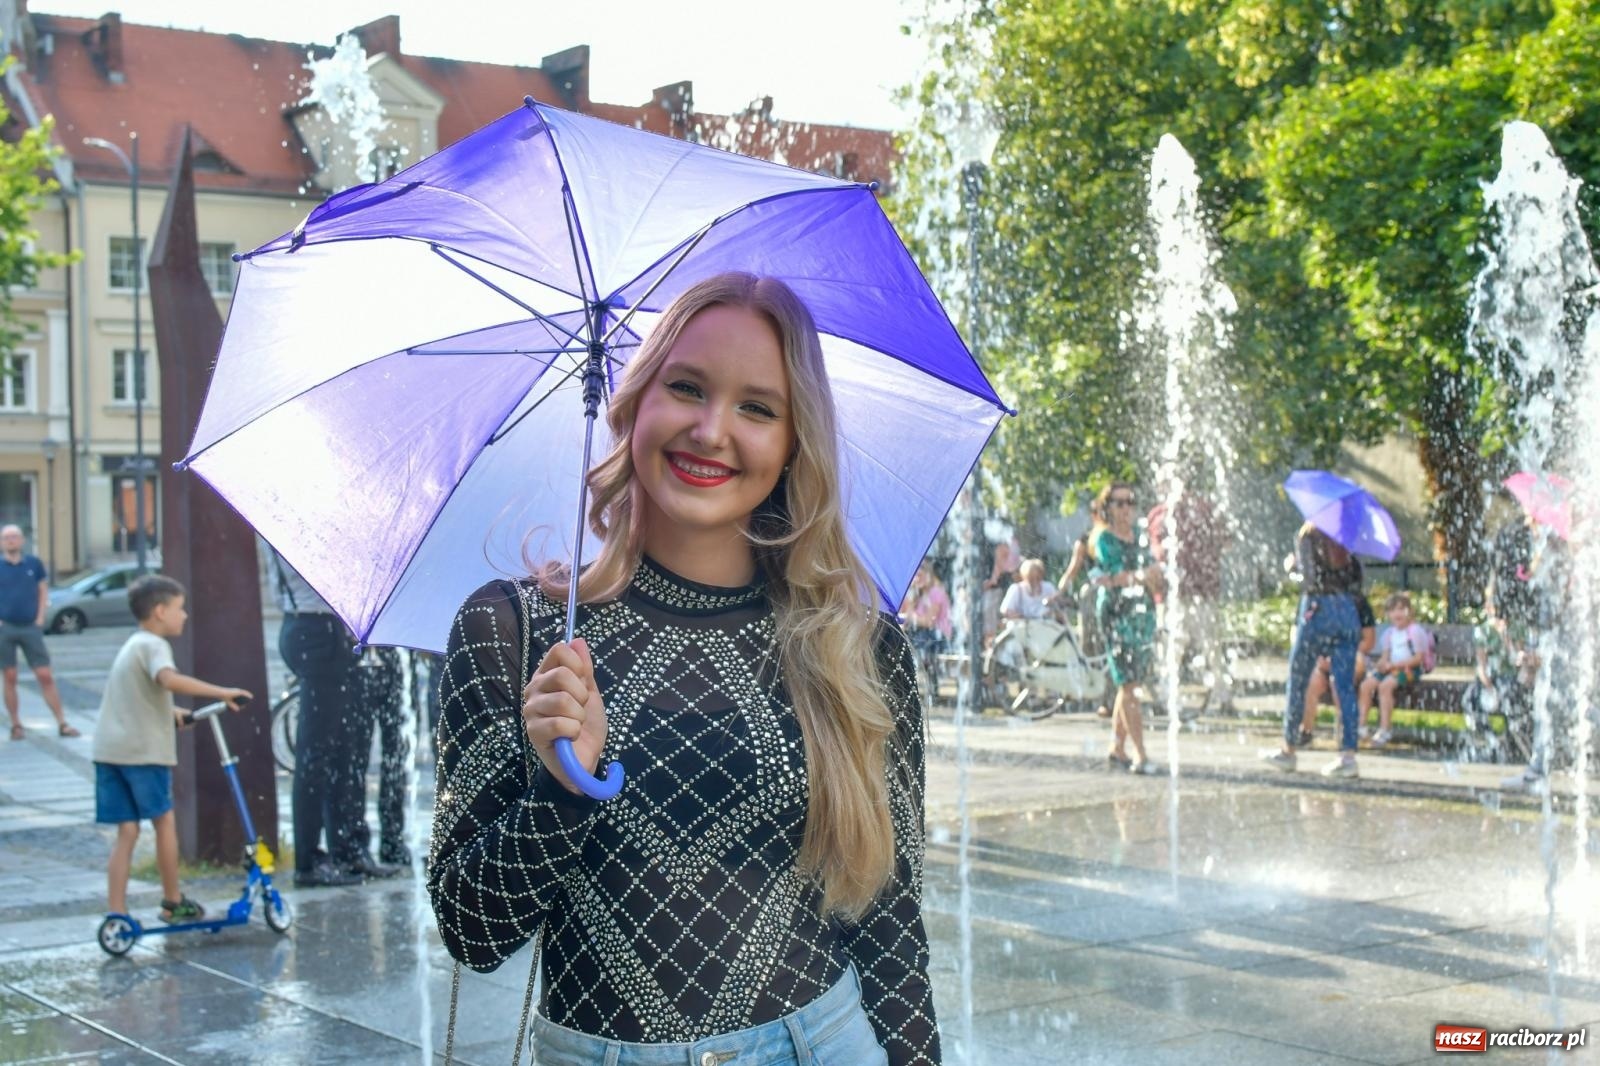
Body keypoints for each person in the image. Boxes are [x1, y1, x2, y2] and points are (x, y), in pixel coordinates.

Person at [428, 273, 939, 1065]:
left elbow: (891, 929)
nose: (711, 430)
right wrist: (562, 787)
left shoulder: (855, 646)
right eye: (687, 388)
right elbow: (472, 929)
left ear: (794, 442)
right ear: (633, 406)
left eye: (757, 408)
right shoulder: (516, 631)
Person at [93, 575, 250, 922]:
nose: (185, 616)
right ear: (160, 611)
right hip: (142, 755)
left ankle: (116, 911)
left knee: (127, 832)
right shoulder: (154, 645)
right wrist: (222, 692)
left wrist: (175, 713)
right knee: (164, 822)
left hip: (109, 752)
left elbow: (139, 697)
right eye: (180, 609)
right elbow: (167, 679)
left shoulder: (133, 645)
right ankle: (172, 900)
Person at [271, 550, 398, 886]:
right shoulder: (296, 523)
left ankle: (349, 850)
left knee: (347, 748)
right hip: (315, 628)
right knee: (317, 752)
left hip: (324, 629)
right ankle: (310, 861)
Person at [1261, 523, 1363, 778]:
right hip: (1348, 612)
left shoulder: (1309, 533)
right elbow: (1357, 579)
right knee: (1345, 687)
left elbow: (1309, 579)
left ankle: (1289, 749)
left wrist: (1292, 567)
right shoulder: (1347, 536)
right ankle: (1348, 757)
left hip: (1318, 610)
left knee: (1298, 678)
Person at [1092, 483, 1162, 774]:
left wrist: (1142, 578)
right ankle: (1141, 755)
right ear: (1107, 507)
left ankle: (1117, 748)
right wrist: (1142, 576)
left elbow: (1153, 578)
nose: (1125, 508)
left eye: (1129, 502)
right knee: (1129, 684)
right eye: (1118, 503)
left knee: (1131, 683)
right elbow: (1117, 577)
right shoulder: (1104, 539)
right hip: (1117, 615)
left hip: (1142, 614)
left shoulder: (1141, 537)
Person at [1146, 484, 1231, 712]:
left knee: (1211, 645)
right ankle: (1167, 696)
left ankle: (1222, 694)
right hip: (1169, 594)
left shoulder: (1204, 510)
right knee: (1171, 647)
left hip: (1202, 590)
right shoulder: (1157, 515)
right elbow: (1153, 550)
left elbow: (1225, 541)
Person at [0, 524, 76, 740]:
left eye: (14, 536)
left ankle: (62, 722)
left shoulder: (34, 564)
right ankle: (16, 724)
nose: (11, 540)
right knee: (10, 676)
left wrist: (40, 617)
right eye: (6, 537)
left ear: (22, 540)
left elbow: (43, 590)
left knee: (44, 675)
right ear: (1, 542)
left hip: (30, 626)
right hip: (5, 628)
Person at [1298, 592, 1375, 747]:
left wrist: (1340, 655)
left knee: (1339, 679)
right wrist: (1320, 656)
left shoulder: (1358, 601)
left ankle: (1346, 733)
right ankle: (1305, 731)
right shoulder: (1315, 600)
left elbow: (1369, 641)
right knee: (1312, 681)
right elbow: (1303, 634)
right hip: (1324, 658)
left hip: (1353, 657)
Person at [1357, 592, 1433, 747]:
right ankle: (1361, 726)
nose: (1397, 614)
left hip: (1410, 670)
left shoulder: (1415, 631)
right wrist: (1381, 664)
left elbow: (1418, 658)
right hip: (1392, 669)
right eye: (1392, 610)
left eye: (1401, 609)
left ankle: (1385, 729)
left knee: (1385, 686)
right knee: (1366, 686)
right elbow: (1386, 656)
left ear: (1409, 611)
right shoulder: (1389, 634)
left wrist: (1394, 666)